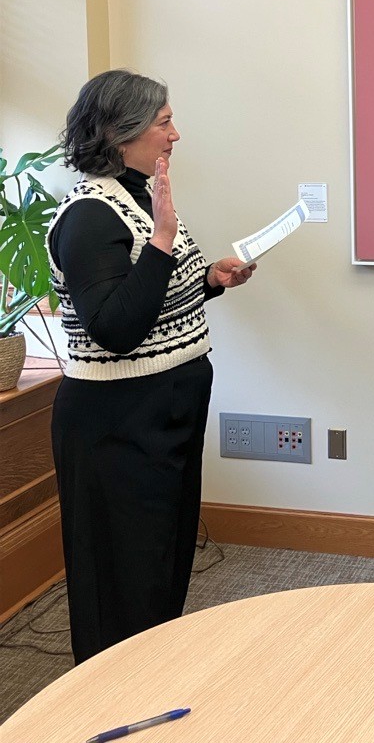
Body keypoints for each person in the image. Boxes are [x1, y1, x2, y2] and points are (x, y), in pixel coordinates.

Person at [47, 69, 255, 663]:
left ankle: (154, 685)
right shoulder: (90, 216)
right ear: (121, 133)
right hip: (116, 427)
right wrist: (164, 239)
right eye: (164, 123)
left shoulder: (137, 194)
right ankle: (111, 703)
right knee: (124, 584)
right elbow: (114, 329)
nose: (175, 135)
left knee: (161, 568)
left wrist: (210, 279)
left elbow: (151, 295)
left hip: (164, 416)